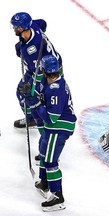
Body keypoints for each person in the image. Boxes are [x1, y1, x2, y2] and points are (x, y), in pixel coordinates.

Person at [18, 55, 76, 211]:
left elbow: (51, 118)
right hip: (55, 126)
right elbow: (39, 92)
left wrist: (35, 104)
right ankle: (44, 181)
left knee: (50, 161)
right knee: (43, 154)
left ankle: (57, 197)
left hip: (59, 127)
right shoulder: (51, 82)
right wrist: (30, 93)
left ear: (43, 70)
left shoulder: (55, 89)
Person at [10, 12, 62, 129]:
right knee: (21, 91)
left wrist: (31, 85)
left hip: (47, 71)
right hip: (43, 65)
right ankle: (30, 118)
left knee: (31, 95)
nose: (13, 28)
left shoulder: (32, 50)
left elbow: (38, 71)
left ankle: (38, 120)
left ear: (23, 28)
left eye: (16, 26)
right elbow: (43, 23)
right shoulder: (33, 25)